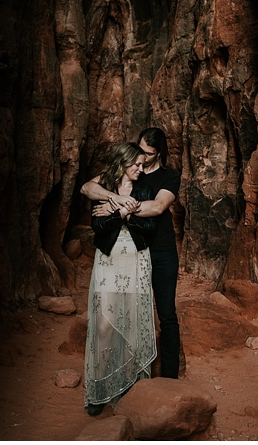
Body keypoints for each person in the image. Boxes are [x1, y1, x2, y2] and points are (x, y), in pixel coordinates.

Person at [81, 127, 182, 378]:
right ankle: (122, 376)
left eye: (148, 154)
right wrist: (114, 197)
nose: (143, 159)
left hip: (163, 251)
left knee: (166, 314)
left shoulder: (169, 176)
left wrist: (118, 209)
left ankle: (170, 377)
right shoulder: (129, 169)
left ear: (158, 153)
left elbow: (158, 207)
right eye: (140, 151)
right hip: (137, 253)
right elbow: (87, 188)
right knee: (130, 312)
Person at [83, 142, 157, 416]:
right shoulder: (106, 187)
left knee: (133, 323)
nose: (140, 169)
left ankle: (127, 387)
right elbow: (98, 225)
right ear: (123, 162)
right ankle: (100, 389)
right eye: (136, 164)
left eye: (143, 165)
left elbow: (149, 228)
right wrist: (122, 212)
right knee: (104, 325)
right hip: (108, 259)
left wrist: (122, 213)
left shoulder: (145, 188)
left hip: (136, 259)